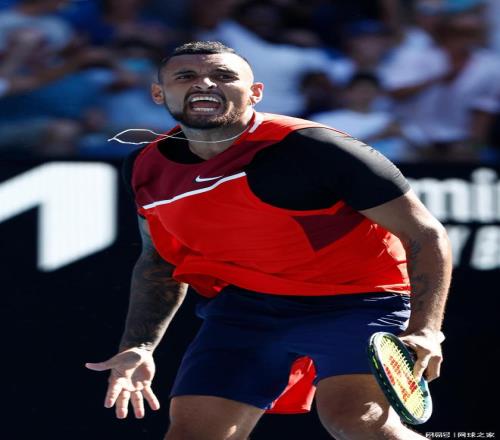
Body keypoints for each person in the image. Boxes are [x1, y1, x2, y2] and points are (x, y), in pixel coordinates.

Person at [86, 41, 452, 440]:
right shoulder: (145, 166)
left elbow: (425, 233)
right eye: (186, 76)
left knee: (357, 423)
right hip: (247, 308)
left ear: (255, 93)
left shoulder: (317, 148)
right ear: (158, 93)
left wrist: (426, 329)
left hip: (359, 300)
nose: (204, 84)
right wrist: (140, 344)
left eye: (223, 76)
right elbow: (159, 260)